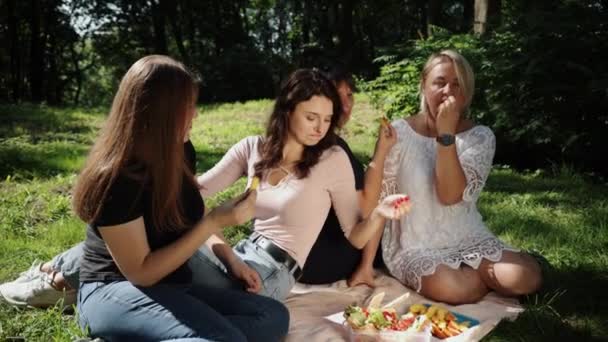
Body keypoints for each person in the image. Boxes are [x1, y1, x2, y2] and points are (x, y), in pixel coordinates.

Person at [51, 55, 290, 341]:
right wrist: (214, 222)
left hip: (171, 288)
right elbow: (141, 272)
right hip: (113, 290)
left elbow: (195, 216)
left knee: (273, 316)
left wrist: (231, 259)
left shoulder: (181, 151)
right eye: (188, 107)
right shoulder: (117, 178)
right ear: (160, 113)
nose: (196, 115)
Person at [192, 68, 409, 300]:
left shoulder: (332, 158)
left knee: (192, 285)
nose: (320, 128)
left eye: (327, 119)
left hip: (274, 271)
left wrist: (380, 213)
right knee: (179, 260)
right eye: (311, 117)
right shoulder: (252, 148)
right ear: (287, 111)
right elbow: (195, 192)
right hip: (240, 256)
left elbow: (356, 237)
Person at [351, 50, 542, 304]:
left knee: (525, 278)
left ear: (467, 93)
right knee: (453, 290)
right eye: (440, 82)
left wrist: (446, 135)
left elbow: (450, 195)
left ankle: (484, 272)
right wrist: (366, 265)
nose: (448, 92)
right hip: (416, 245)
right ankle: (479, 279)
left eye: (457, 85)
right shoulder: (400, 133)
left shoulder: (480, 137)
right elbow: (381, 202)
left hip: (467, 236)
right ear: (424, 85)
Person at [299, 67, 394, 285]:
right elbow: (367, 205)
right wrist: (381, 152)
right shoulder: (333, 149)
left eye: (349, 95)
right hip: (325, 263)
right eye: (335, 95)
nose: (346, 104)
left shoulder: (304, 140)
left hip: (298, 260)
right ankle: (365, 270)